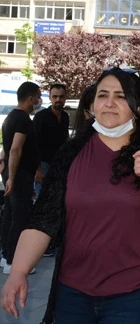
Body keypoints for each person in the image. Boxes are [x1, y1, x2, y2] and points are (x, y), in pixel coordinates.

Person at [0, 68, 140, 323]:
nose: (109, 103)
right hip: (73, 292)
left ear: (139, 108)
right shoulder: (72, 151)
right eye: (103, 95)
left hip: (139, 293)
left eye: (121, 96)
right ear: (92, 103)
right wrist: (18, 271)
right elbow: (43, 219)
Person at [0, 81, 43, 275]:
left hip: (13, 173)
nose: (39, 100)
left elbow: (7, 148)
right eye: (38, 96)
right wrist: (12, 177)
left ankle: (5, 255)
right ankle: (11, 260)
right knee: (19, 217)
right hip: (19, 174)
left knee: (9, 214)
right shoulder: (23, 120)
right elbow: (15, 149)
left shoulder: (11, 117)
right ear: (30, 97)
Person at [33, 83, 70, 257]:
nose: (58, 100)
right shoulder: (41, 117)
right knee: (43, 204)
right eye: (55, 97)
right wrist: (37, 169)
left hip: (59, 167)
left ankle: (53, 243)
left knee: (57, 204)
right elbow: (33, 145)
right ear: (49, 97)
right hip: (43, 165)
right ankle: (40, 245)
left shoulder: (65, 117)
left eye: (61, 97)